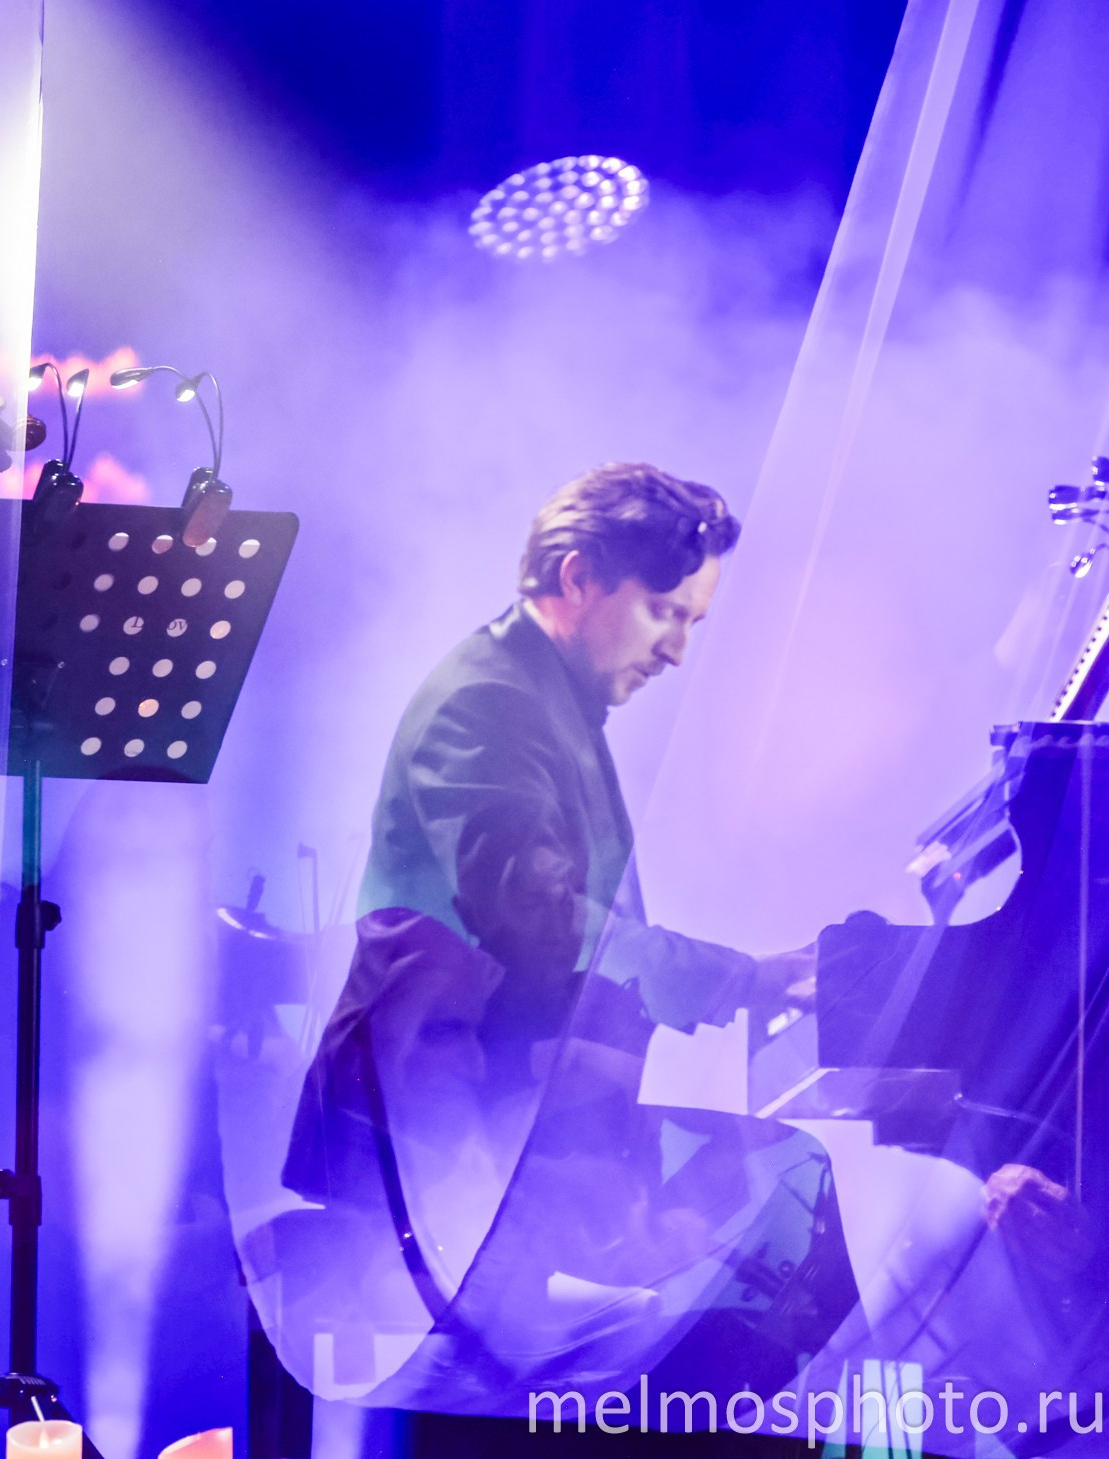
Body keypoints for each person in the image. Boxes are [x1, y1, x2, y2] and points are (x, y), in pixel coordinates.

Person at [279, 463, 854, 1423]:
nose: (677, 650)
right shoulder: (488, 705)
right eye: (664, 612)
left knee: (776, 1194)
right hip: (441, 1142)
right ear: (579, 576)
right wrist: (745, 979)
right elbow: (543, 918)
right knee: (783, 1187)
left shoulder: (546, 699)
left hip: (521, 1116)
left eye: (692, 622)